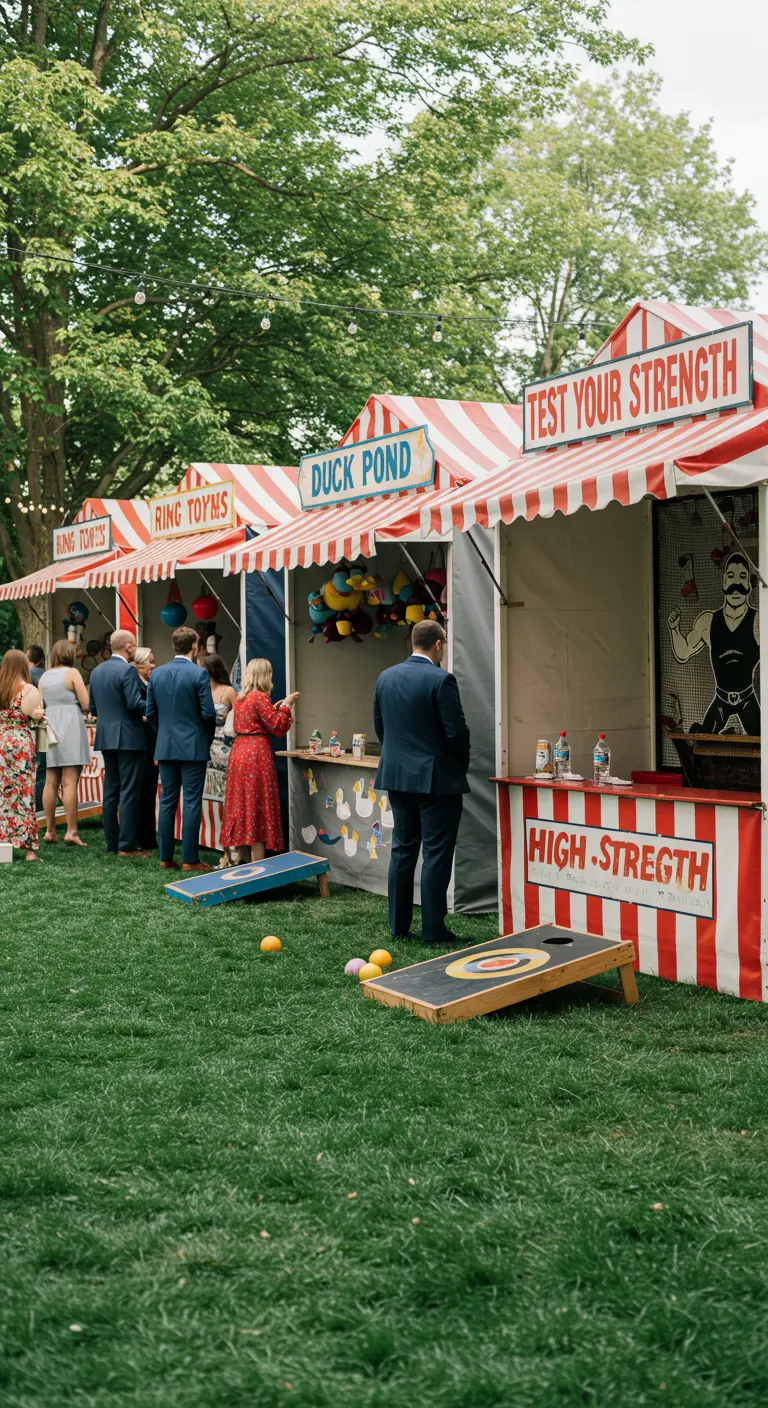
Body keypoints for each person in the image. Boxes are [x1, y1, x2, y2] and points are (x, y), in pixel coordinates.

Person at [373, 620, 471, 945]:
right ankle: (433, 929)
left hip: (397, 777)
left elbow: (380, 728)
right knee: (436, 853)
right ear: (438, 644)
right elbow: (457, 733)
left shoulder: (384, 677)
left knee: (402, 849)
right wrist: (458, 765)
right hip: (436, 779)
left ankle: (398, 926)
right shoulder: (442, 680)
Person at [146, 625, 217, 872]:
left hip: (165, 745)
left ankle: (166, 857)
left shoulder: (157, 674)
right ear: (195, 646)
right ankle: (190, 859)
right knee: (191, 802)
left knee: (167, 801)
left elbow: (150, 713)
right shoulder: (198, 674)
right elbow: (208, 713)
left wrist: (165, 730)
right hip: (193, 745)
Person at [668, 552, 761, 734]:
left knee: (762, 742)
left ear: (749, 585)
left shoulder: (759, 622)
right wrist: (674, 629)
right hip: (720, 701)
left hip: (748, 699)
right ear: (724, 583)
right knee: (702, 738)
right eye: (731, 577)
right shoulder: (707, 621)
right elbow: (683, 652)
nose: (736, 584)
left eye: (742, 577)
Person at [220, 659, 297, 864]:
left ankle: (242, 861)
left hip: (239, 752)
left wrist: (274, 707)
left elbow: (256, 719)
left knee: (242, 805)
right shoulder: (260, 697)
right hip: (256, 754)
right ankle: (258, 865)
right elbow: (278, 726)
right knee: (257, 804)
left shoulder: (241, 698)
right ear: (265, 675)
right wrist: (287, 705)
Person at [88, 629, 149, 858]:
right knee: (129, 791)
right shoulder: (127, 671)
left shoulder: (96, 672)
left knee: (111, 790)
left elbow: (93, 708)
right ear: (129, 647)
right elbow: (134, 703)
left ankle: (112, 842)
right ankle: (127, 846)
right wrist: (154, 703)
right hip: (129, 737)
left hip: (106, 736)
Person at [39, 639, 92, 847]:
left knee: (51, 779)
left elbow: (41, 704)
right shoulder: (72, 673)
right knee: (70, 780)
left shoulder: (44, 676)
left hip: (50, 723)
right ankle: (71, 831)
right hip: (70, 723)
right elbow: (86, 702)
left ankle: (50, 830)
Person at [0, 649, 44, 861]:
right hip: (20, 743)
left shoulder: (1, 688)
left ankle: (3, 845)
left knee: (3, 793)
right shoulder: (29, 690)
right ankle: (28, 849)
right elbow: (35, 717)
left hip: (1, 741)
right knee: (24, 792)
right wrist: (37, 716)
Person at [202, 654, 238, 867]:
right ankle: (224, 850)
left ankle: (234, 851)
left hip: (226, 749)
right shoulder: (202, 690)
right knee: (216, 798)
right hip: (208, 749)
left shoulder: (229, 691)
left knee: (230, 799)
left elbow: (239, 717)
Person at [133, 647, 158, 851]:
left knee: (149, 792)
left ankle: (148, 837)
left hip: (150, 743)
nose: (153, 665)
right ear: (139, 664)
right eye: (150, 661)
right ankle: (143, 838)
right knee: (143, 791)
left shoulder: (149, 684)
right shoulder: (137, 685)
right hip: (144, 743)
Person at [26, 645, 47, 810]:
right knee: (44, 767)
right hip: (48, 724)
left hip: (33, 725)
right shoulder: (48, 674)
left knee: (38, 767)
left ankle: (38, 805)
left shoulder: (28, 676)